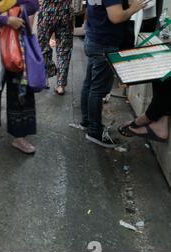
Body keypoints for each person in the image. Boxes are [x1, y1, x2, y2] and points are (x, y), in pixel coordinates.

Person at [80, 0, 148, 149]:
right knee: (97, 89)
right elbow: (116, 17)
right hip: (104, 43)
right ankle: (94, 131)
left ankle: (87, 121)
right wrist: (133, 8)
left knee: (90, 84)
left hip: (94, 38)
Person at [0, 0, 40, 155]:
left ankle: (19, 136)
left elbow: (33, 5)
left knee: (20, 91)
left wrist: (9, 9)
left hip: (18, 47)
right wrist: (7, 19)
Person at [38, 0, 74, 95]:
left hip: (47, 10)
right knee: (64, 50)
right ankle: (60, 85)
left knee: (43, 46)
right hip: (65, 10)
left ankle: (45, 76)